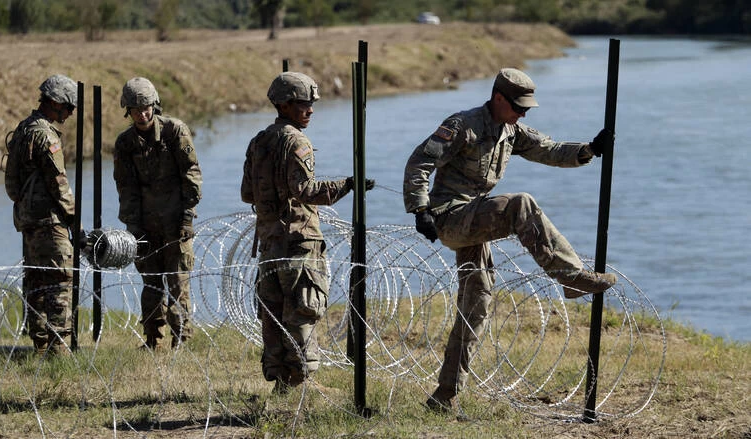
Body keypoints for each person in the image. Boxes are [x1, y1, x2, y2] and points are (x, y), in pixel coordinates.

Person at [402, 68, 617, 413]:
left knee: (477, 303)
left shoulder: (511, 131)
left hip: (475, 218)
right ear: (498, 98)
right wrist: (420, 208)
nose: (523, 114)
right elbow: (420, 161)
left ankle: (444, 396)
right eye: (518, 107)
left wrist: (589, 149)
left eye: (527, 109)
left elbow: (548, 149)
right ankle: (570, 277)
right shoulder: (463, 126)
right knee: (521, 204)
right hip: (450, 217)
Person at [241, 72, 374, 394]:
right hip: (299, 241)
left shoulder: (258, 140)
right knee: (302, 309)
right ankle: (301, 382)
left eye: (312, 104)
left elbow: (247, 193)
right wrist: (347, 185)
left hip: (270, 241)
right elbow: (306, 190)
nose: (311, 110)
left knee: (273, 315)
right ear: (285, 105)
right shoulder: (297, 141)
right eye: (304, 104)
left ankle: (280, 383)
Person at [113, 77, 202, 350]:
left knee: (178, 283)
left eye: (147, 107)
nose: (143, 113)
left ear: (155, 105)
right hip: (145, 225)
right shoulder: (125, 143)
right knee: (151, 284)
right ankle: (152, 339)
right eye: (137, 109)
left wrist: (187, 216)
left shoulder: (175, 131)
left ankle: (181, 339)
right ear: (128, 111)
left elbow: (192, 175)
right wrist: (133, 227)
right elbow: (125, 187)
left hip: (176, 222)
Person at [4, 74, 79, 357]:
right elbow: (59, 185)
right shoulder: (46, 135)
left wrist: (26, 207)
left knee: (35, 282)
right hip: (49, 221)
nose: (71, 113)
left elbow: (11, 184)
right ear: (55, 103)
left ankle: (40, 346)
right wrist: (75, 221)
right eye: (69, 107)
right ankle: (58, 349)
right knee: (59, 280)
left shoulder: (23, 129)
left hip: (27, 219)